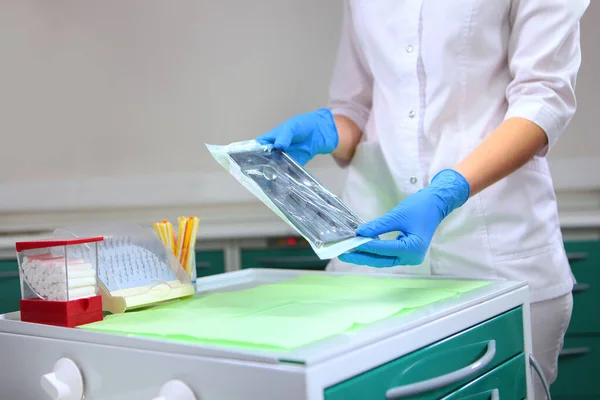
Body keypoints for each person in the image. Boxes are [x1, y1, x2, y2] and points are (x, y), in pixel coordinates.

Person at [257, 0, 590, 397]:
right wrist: (327, 129)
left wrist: (446, 192)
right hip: (374, 265)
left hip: (496, 255)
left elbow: (545, 99)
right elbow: (355, 108)